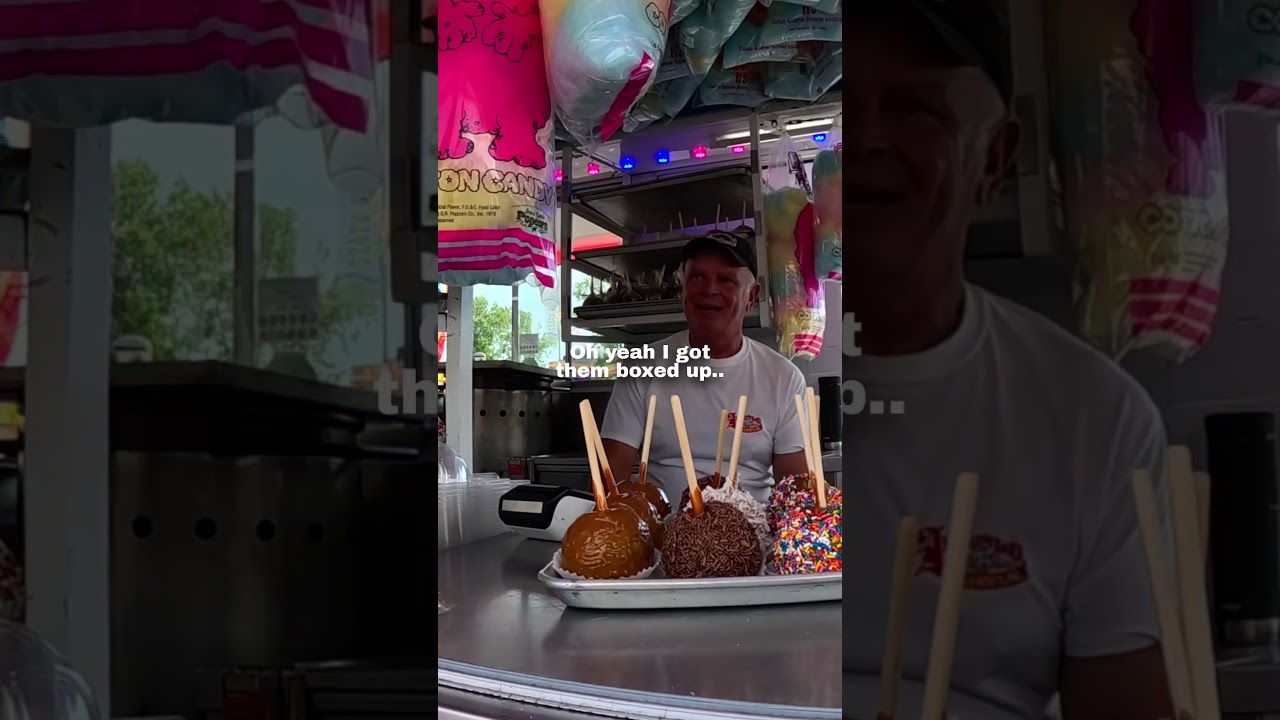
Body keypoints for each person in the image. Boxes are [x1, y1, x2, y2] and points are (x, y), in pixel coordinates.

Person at [844, 2, 1175, 719]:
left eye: (914, 108)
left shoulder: (1097, 423)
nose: (860, 137)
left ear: (993, 160)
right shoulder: (718, 398)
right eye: (836, 99)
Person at [600, 231, 810, 505]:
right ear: (683, 290)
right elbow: (607, 485)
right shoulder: (644, 367)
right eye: (697, 277)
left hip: (753, 540)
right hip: (663, 538)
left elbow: (794, 493)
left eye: (727, 280)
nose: (709, 289)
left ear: (752, 296)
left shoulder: (783, 378)